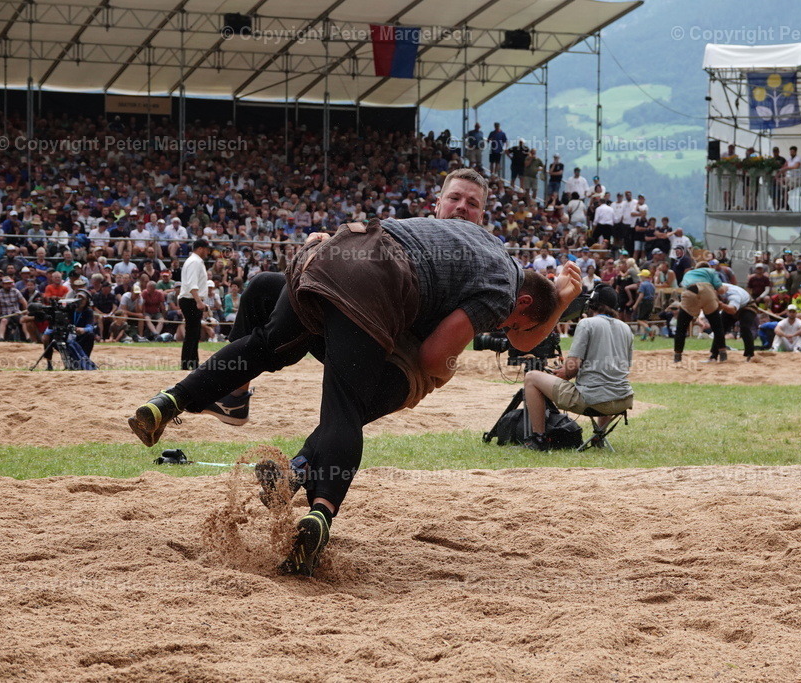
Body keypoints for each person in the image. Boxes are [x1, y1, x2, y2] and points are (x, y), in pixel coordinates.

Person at [127, 171, 582, 577]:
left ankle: (176, 402)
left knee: (275, 341)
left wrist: (559, 297)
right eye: (456, 199)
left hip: (342, 255)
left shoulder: (444, 241)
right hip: (381, 315)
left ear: (483, 214)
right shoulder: (498, 277)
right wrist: (446, 368)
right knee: (346, 400)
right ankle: (320, 510)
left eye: (473, 203)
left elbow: (521, 331)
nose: (462, 208)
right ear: (438, 205)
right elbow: (435, 355)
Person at [521, 284, 633, 451]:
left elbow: (571, 368)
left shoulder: (587, 323)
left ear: (592, 303)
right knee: (606, 381)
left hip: (594, 401)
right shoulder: (626, 328)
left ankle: (539, 438)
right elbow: (620, 366)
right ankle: (598, 437)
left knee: (531, 377)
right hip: (622, 399)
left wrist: (562, 372)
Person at [673, 263, 727, 363]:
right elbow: (720, 290)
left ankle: (677, 356)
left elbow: (684, 286)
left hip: (690, 291)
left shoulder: (688, 273)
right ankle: (723, 354)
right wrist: (725, 289)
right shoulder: (711, 271)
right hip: (707, 291)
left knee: (681, 327)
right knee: (717, 325)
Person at [179, 238, 210, 369]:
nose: (208, 252)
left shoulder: (195, 261)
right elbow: (192, 284)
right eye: (207, 249)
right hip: (190, 300)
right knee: (192, 333)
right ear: (201, 248)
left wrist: (200, 301)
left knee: (194, 333)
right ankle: (187, 364)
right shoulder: (194, 262)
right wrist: (198, 301)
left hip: (192, 300)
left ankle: (193, 363)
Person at [717, 283, 757, 361]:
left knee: (745, 329)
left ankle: (750, 355)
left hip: (747, 306)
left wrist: (721, 305)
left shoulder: (734, 295)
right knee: (719, 328)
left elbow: (732, 310)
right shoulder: (716, 286)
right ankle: (714, 355)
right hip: (729, 305)